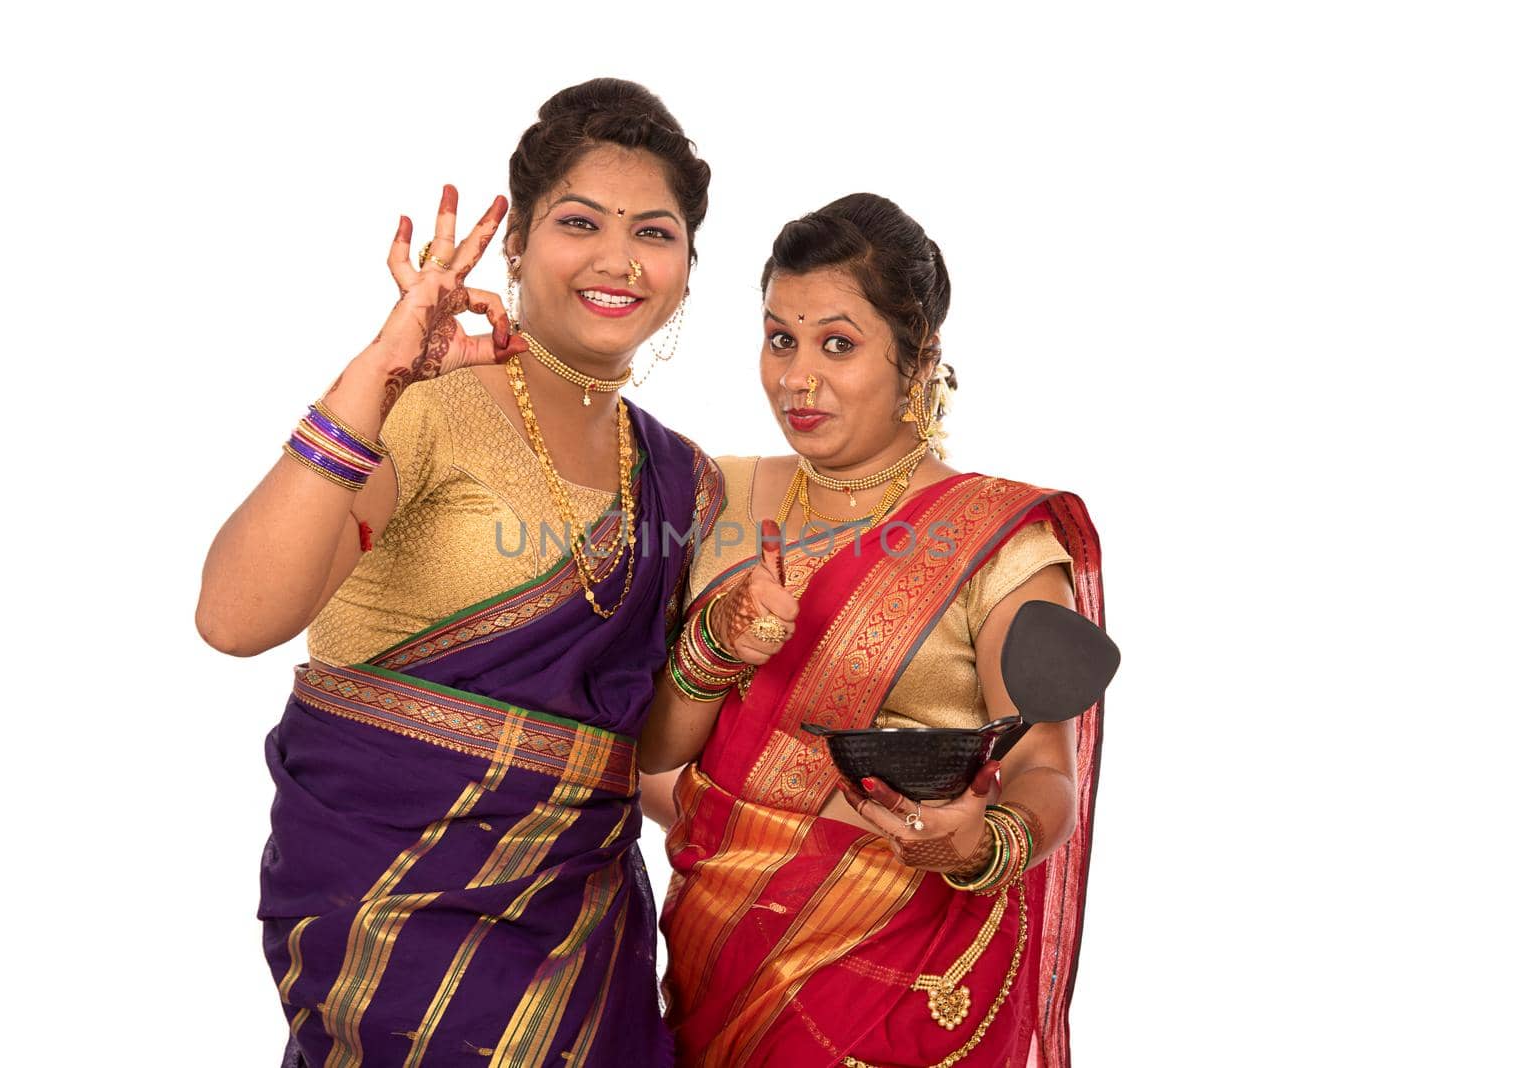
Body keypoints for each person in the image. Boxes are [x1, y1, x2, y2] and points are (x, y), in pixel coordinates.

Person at [195, 79, 720, 1067]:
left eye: (654, 232)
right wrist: (380, 370)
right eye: (579, 223)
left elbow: (646, 754)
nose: (618, 259)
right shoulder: (426, 409)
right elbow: (232, 616)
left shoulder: (684, 481)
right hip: (396, 929)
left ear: (687, 270)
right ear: (515, 242)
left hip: (583, 948)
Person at [640, 194, 1105, 1067]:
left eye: (838, 344)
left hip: (905, 973)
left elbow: (1047, 769)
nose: (796, 378)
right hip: (722, 949)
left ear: (921, 357)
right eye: (780, 338)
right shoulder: (717, 497)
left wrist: (983, 841)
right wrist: (718, 650)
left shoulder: (1002, 543)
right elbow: (656, 756)